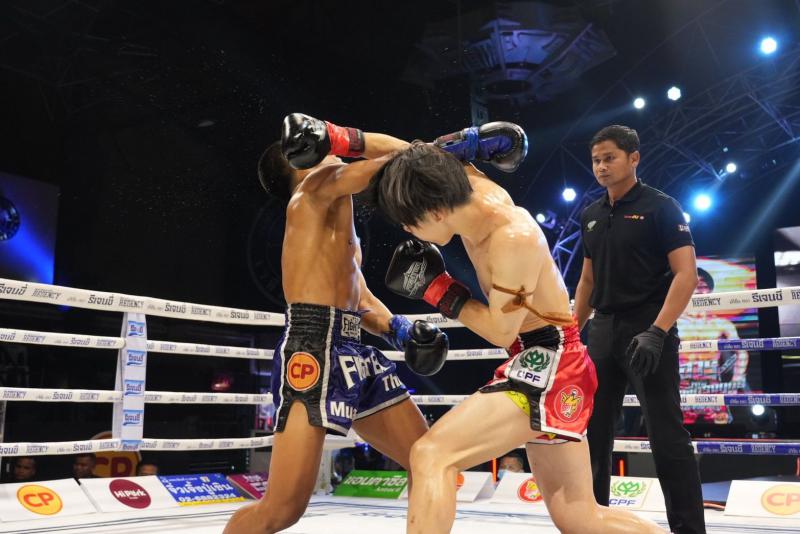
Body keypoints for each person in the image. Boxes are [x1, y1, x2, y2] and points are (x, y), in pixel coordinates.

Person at [373, 129, 663, 533]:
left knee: (431, 454)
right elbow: (409, 153)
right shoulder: (461, 183)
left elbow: (499, 330)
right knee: (579, 516)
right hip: (548, 361)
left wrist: (437, 289)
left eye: (409, 222)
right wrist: (340, 139)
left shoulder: (512, 237)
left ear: (435, 211)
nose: (408, 231)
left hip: (550, 365)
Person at [223, 114, 448, 534]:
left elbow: (358, 297)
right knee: (282, 510)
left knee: (430, 458)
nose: (331, 150)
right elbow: (391, 162)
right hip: (312, 348)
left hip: (352, 348)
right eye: (321, 147)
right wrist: (444, 149)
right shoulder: (311, 192)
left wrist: (398, 330)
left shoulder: (337, 216)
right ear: (302, 163)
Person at [573, 124, 705, 533]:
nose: (601, 166)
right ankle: (593, 524)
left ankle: (689, 530)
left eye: (609, 158)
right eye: (596, 160)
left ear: (634, 158)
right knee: (592, 434)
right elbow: (587, 281)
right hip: (602, 331)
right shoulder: (591, 215)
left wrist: (658, 330)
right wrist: (571, 334)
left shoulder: (662, 207)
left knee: (666, 436)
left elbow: (686, 274)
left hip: (648, 328)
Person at [678, 267, 748, 424]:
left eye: (702, 286)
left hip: (712, 389)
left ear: (709, 291)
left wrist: (735, 383)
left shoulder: (721, 324)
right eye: (693, 286)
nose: (698, 290)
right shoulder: (674, 323)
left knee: (721, 430)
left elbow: (742, 352)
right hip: (682, 389)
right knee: (679, 433)